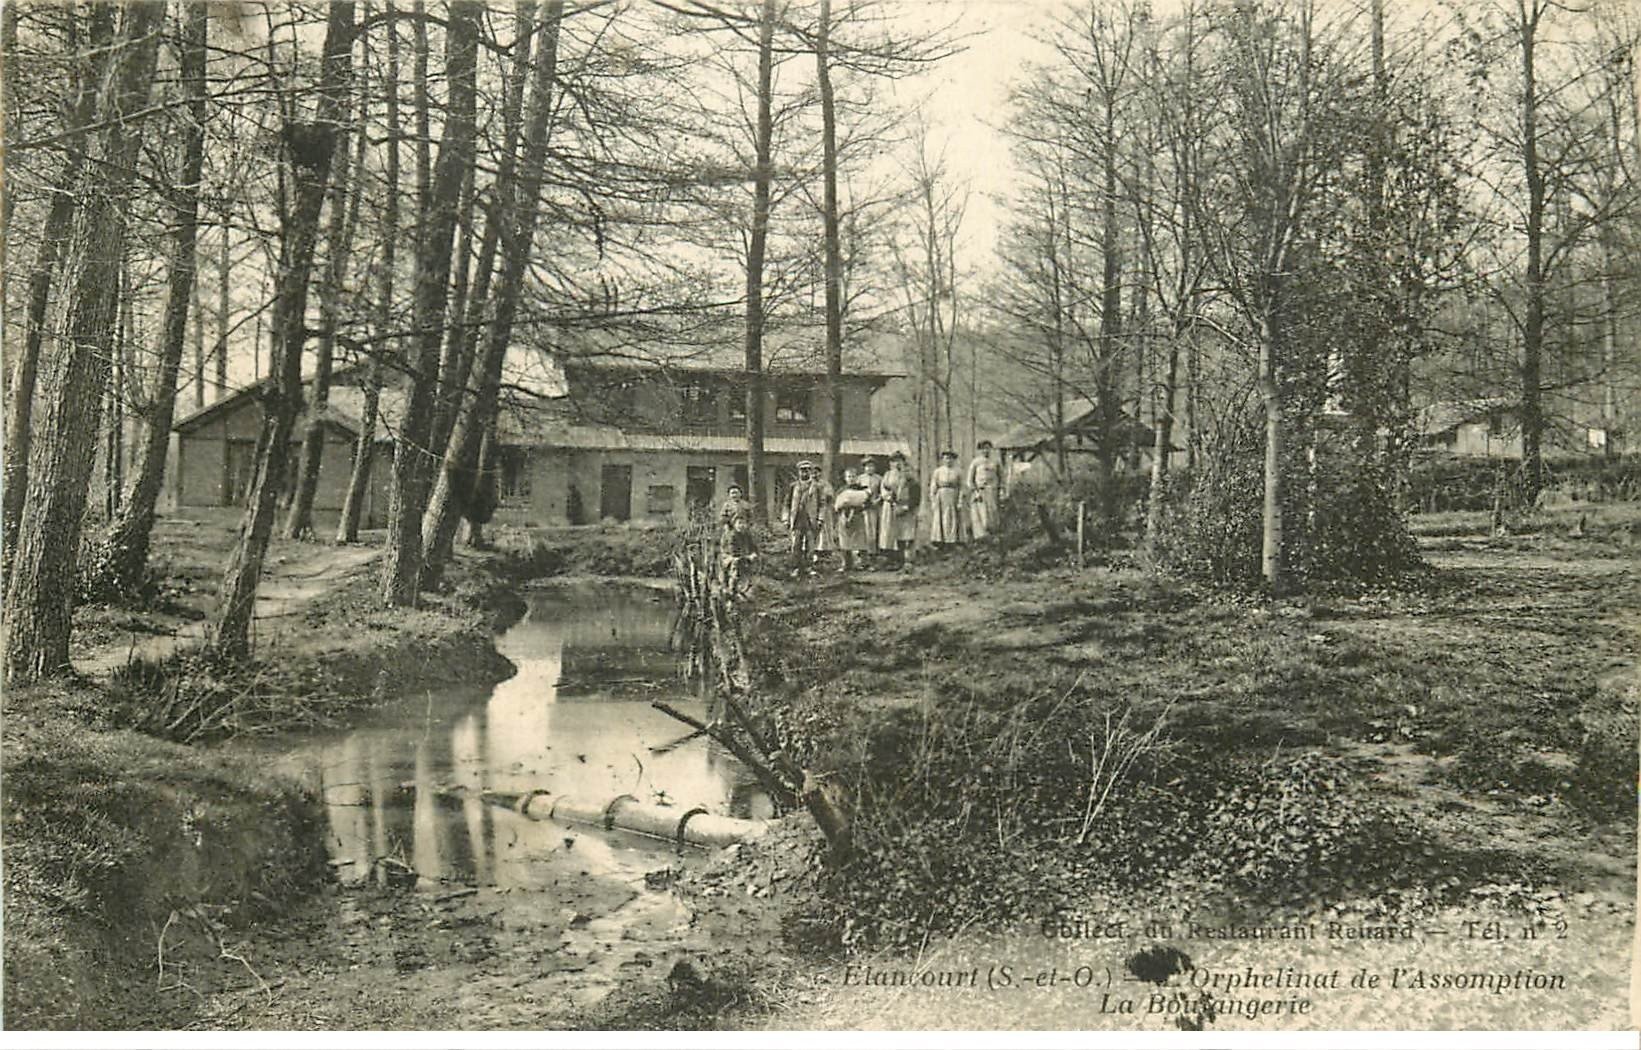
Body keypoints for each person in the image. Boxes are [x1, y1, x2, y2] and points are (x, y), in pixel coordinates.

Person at [878, 450, 919, 568]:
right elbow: (883, 488)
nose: (896, 464)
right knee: (889, 531)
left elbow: (914, 490)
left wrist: (906, 504)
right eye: (894, 461)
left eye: (899, 461)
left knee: (903, 532)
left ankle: (903, 559)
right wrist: (887, 496)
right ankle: (889, 557)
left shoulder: (908, 475)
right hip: (889, 506)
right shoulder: (887, 474)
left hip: (902, 506)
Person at [784, 462, 826, 578]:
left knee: (810, 545)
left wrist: (820, 519)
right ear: (799, 472)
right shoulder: (793, 486)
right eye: (802, 470)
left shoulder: (817, 487)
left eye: (807, 470)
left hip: (810, 519)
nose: (805, 472)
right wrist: (786, 518)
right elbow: (787, 504)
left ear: (810, 472)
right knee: (796, 544)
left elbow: (822, 504)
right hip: (797, 518)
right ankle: (795, 567)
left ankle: (809, 567)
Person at [834, 466, 871, 570]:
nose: (851, 479)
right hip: (844, 516)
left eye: (853, 476)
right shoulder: (841, 490)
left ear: (857, 478)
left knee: (860, 540)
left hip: (857, 516)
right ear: (845, 478)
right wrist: (841, 509)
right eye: (849, 477)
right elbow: (836, 504)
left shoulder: (862, 489)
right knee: (845, 540)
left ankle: (864, 563)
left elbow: (868, 503)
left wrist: (862, 505)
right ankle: (846, 564)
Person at [966, 439, 1002, 541]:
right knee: (980, 513)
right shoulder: (975, 462)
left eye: (988, 448)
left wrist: (1002, 489)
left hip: (992, 490)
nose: (986, 451)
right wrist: (975, 490)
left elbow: (1001, 476)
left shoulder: (995, 462)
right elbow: (969, 480)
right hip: (979, 491)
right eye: (983, 449)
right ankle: (981, 536)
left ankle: (993, 533)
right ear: (980, 450)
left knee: (992, 512)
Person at [928, 450, 962, 548]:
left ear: (954, 460)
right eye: (946, 458)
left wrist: (960, 500)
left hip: (952, 495)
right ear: (943, 459)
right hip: (941, 495)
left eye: (951, 458)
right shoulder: (938, 471)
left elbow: (961, 487)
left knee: (951, 517)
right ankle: (939, 540)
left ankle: (951, 540)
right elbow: (933, 486)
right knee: (940, 516)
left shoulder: (957, 471)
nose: (948, 460)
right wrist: (933, 499)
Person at [858, 457, 884, 566]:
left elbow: (883, 492)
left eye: (872, 466)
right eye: (867, 466)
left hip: (874, 507)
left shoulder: (879, 479)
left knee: (873, 531)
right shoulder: (859, 479)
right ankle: (861, 557)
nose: (869, 468)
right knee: (862, 530)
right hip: (862, 508)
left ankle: (873, 555)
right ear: (864, 468)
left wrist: (877, 500)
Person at [719, 483, 755, 564]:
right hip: (731, 528)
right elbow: (722, 518)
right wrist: (727, 525)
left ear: (740, 494)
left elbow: (751, 517)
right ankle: (732, 559)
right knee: (730, 543)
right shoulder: (727, 505)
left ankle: (745, 558)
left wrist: (748, 525)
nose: (734, 495)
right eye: (732, 493)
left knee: (745, 543)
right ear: (729, 495)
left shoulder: (746, 505)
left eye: (736, 492)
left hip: (743, 529)